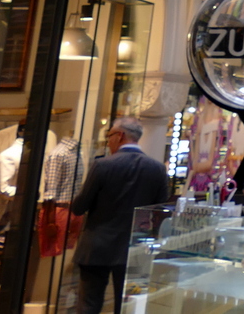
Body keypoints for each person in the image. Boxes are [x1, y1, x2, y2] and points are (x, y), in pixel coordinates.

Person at [71, 117, 171, 314]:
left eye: (109, 136)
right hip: (136, 248)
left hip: (96, 246)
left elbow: (79, 207)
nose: (108, 141)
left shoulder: (102, 165)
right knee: (129, 306)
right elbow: (160, 212)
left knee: (89, 304)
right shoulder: (157, 169)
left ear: (120, 136)